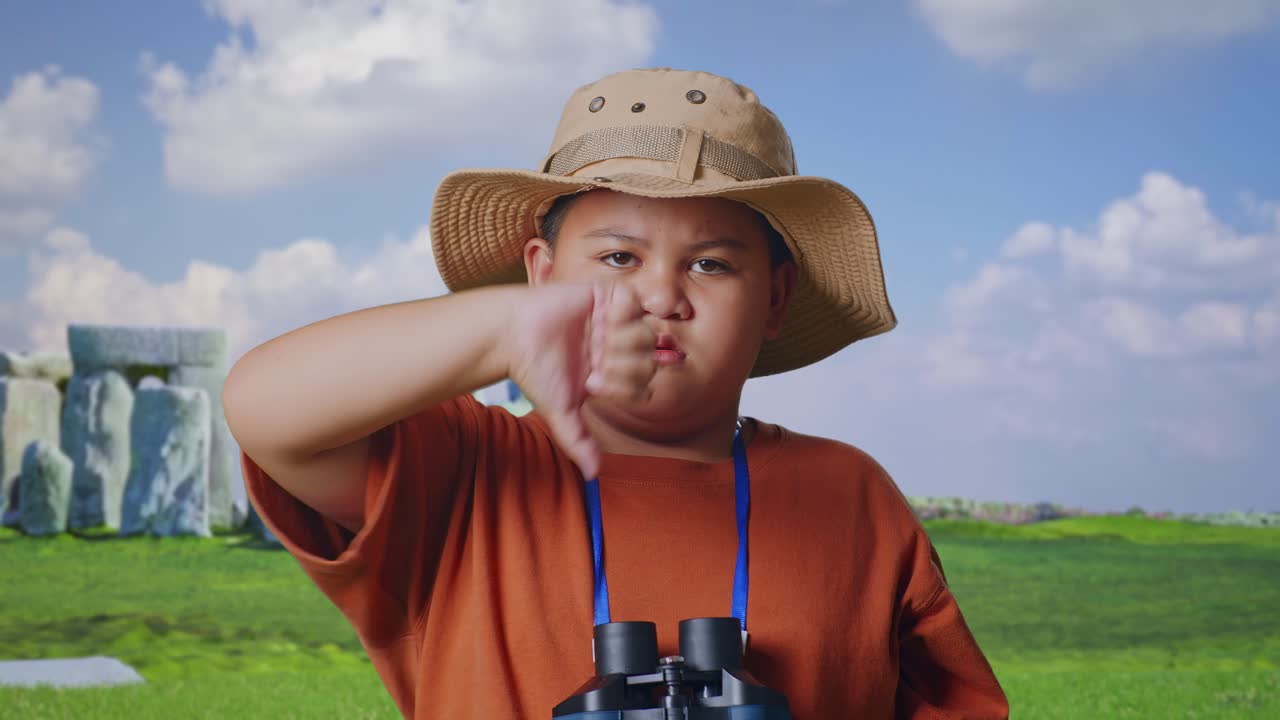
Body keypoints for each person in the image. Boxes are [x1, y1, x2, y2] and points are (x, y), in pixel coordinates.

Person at [223, 67, 1010, 719]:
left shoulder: (851, 497)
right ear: (541, 275)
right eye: (618, 258)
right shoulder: (463, 468)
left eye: (711, 264)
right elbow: (264, 410)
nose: (660, 297)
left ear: (775, 300)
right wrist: (505, 332)